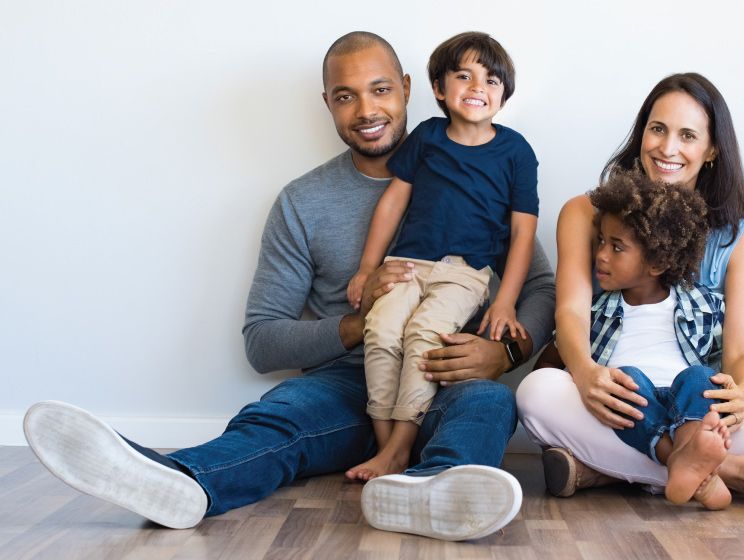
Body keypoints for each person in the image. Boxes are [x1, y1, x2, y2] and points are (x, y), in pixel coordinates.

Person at [22, 31, 556, 541]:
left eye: (381, 89)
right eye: (346, 96)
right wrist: (358, 322)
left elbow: (539, 287)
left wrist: (503, 351)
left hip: (444, 376)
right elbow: (262, 341)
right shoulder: (303, 202)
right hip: (345, 387)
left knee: (488, 405)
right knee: (279, 414)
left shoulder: (480, 174)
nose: (367, 110)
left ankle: (428, 493)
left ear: (411, 90)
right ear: (328, 104)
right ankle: (180, 481)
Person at [517, 72, 744, 511]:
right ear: (642, 131)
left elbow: (741, 350)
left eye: (687, 135)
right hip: (617, 398)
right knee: (537, 392)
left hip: (698, 409)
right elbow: (569, 312)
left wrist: (740, 396)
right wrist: (586, 376)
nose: (667, 148)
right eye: (658, 129)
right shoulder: (586, 213)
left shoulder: (741, 235)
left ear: (713, 149)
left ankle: (607, 470)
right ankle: (738, 472)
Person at [344, 32, 539, 481]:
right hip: (407, 264)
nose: (477, 87)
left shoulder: (516, 152)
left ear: (504, 95)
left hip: (464, 273)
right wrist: (367, 268)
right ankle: (385, 445)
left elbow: (523, 234)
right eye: (464, 76)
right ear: (438, 88)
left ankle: (400, 448)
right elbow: (392, 202)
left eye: (491, 80)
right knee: (382, 328)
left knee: (423, 334)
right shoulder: (428, 137)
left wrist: (505, 300)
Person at [587, 169, 733, 510]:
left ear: (657, 262)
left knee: (699, 377)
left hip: (686, 406)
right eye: (600, 242)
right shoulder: (595, 311)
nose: (601, 255)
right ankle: (688, 466)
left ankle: (689, 446)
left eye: (616, 247)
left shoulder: (701, 305)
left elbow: (725, 362)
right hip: (635, 406)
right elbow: (561, 358)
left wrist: (733, 397)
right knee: (628, 379)